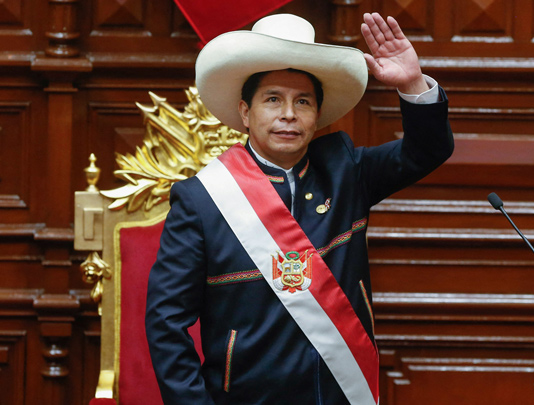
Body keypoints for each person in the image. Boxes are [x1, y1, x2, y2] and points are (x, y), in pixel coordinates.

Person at [145, 12, 453, 405]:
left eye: (302, 101)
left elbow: (427, 150)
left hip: (342, 393)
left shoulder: (347, 172)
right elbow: (165, 322)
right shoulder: (202, 199)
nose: (288, 114)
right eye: (273, 99)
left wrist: (411, 83)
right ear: (245, 112)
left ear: (316, 115)